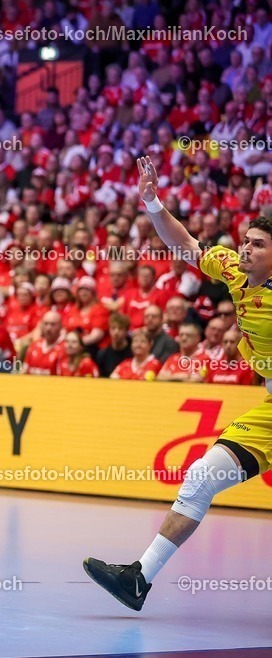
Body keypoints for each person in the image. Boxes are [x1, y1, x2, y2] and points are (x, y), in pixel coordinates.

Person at [85, 156, 272, 611]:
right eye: (245, 241)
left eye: (258, 245)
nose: (245, 249)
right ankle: (138, 579)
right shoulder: (233, 272)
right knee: (201, 477)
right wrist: (152, 203)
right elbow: (186, 242)